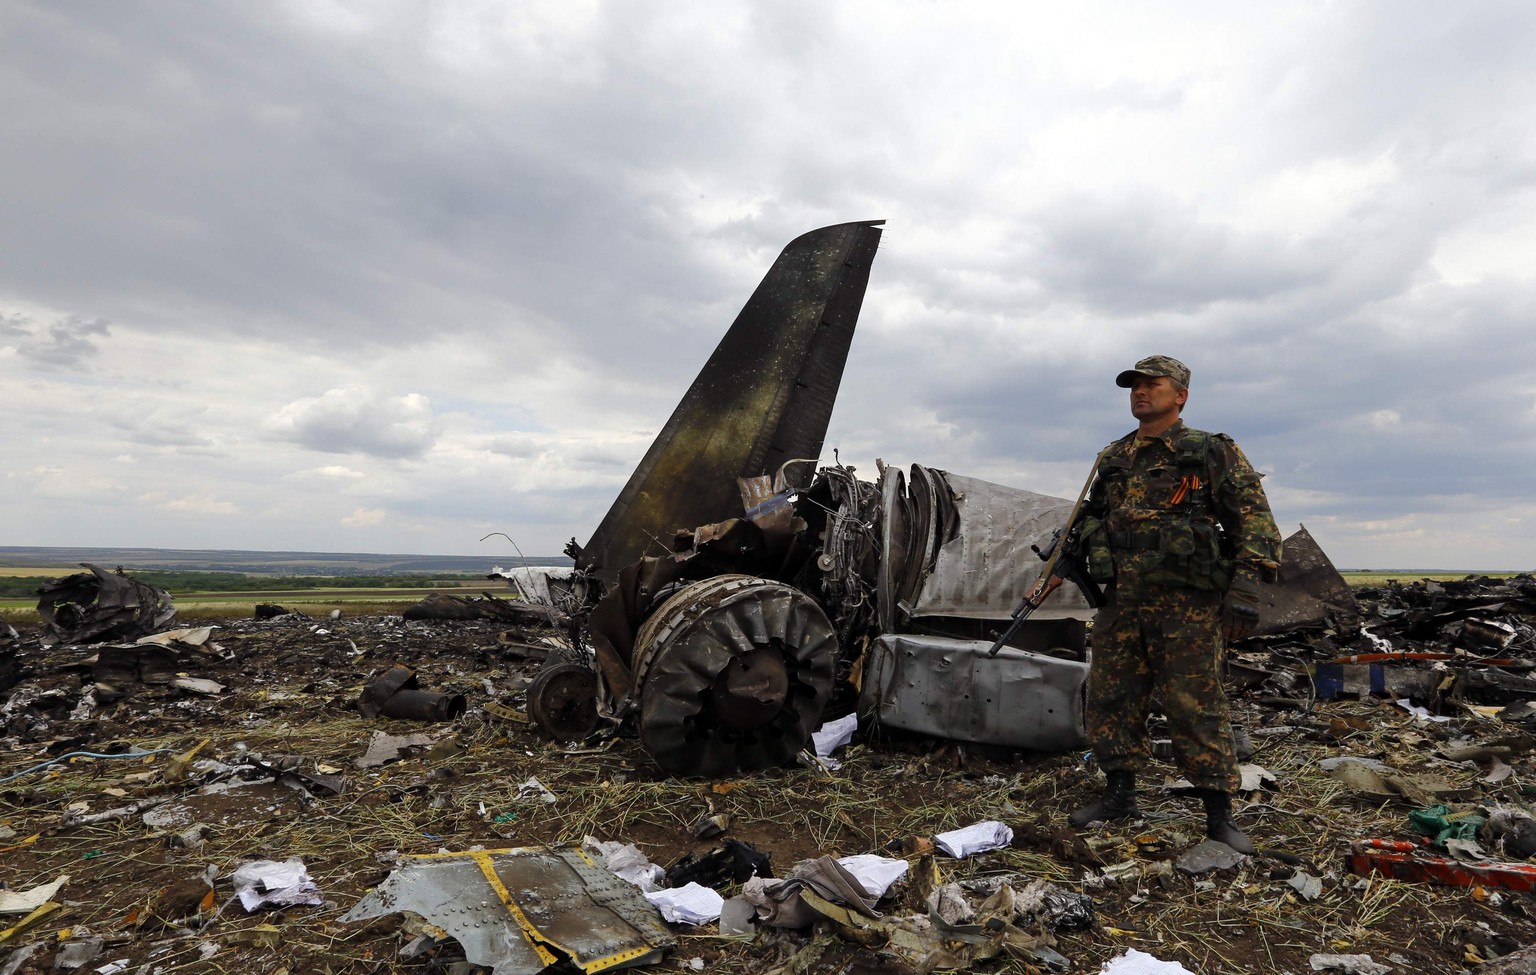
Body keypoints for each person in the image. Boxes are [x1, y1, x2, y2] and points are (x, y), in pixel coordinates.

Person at [1067, 355, 1281, 854]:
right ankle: (1119, 794)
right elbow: (1094, 515)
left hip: (1188, 605)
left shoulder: (1209, 450)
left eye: (1152, 384)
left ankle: (1218, 816)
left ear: (1180, 393)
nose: (1140, 392)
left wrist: (1246, 588)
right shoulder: (1114, 455)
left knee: (1196, 704)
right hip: (1123, 601)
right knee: (1111, 698)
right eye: (1135, 386)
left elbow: (1254, 519)